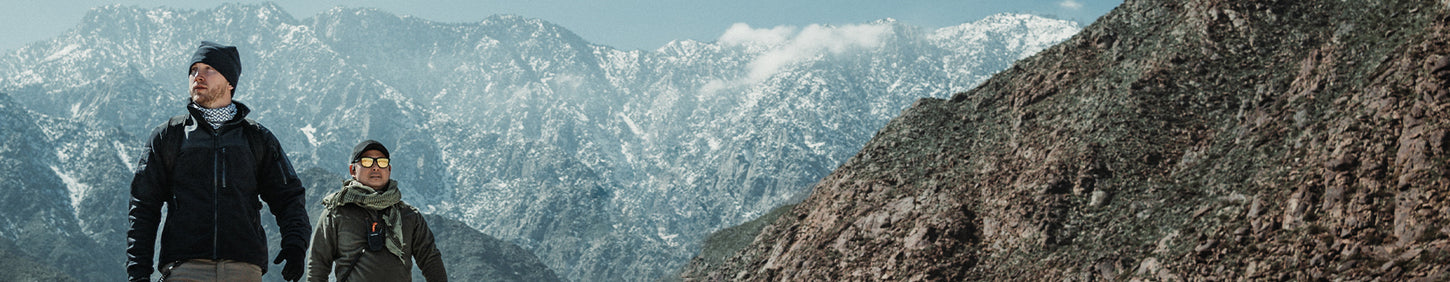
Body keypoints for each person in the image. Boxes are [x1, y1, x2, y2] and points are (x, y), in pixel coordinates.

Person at [127, 41, 311, 282]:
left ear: (230, 82)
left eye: (209, 69)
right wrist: (138, 273)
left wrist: (296, 243)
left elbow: (289, 197)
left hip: (244, 270)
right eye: (193, 70)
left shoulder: (257, 139)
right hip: (184, 269)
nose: (198, 76)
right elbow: (143, 207)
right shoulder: (168, 136)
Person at [308, 140, 447, 282]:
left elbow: (430, 260)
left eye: (382, 162)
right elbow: (318, 266)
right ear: (353, 170)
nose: (375, 167)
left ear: (389, 169)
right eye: (367, 162)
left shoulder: (409, 216)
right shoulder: (336, 213)